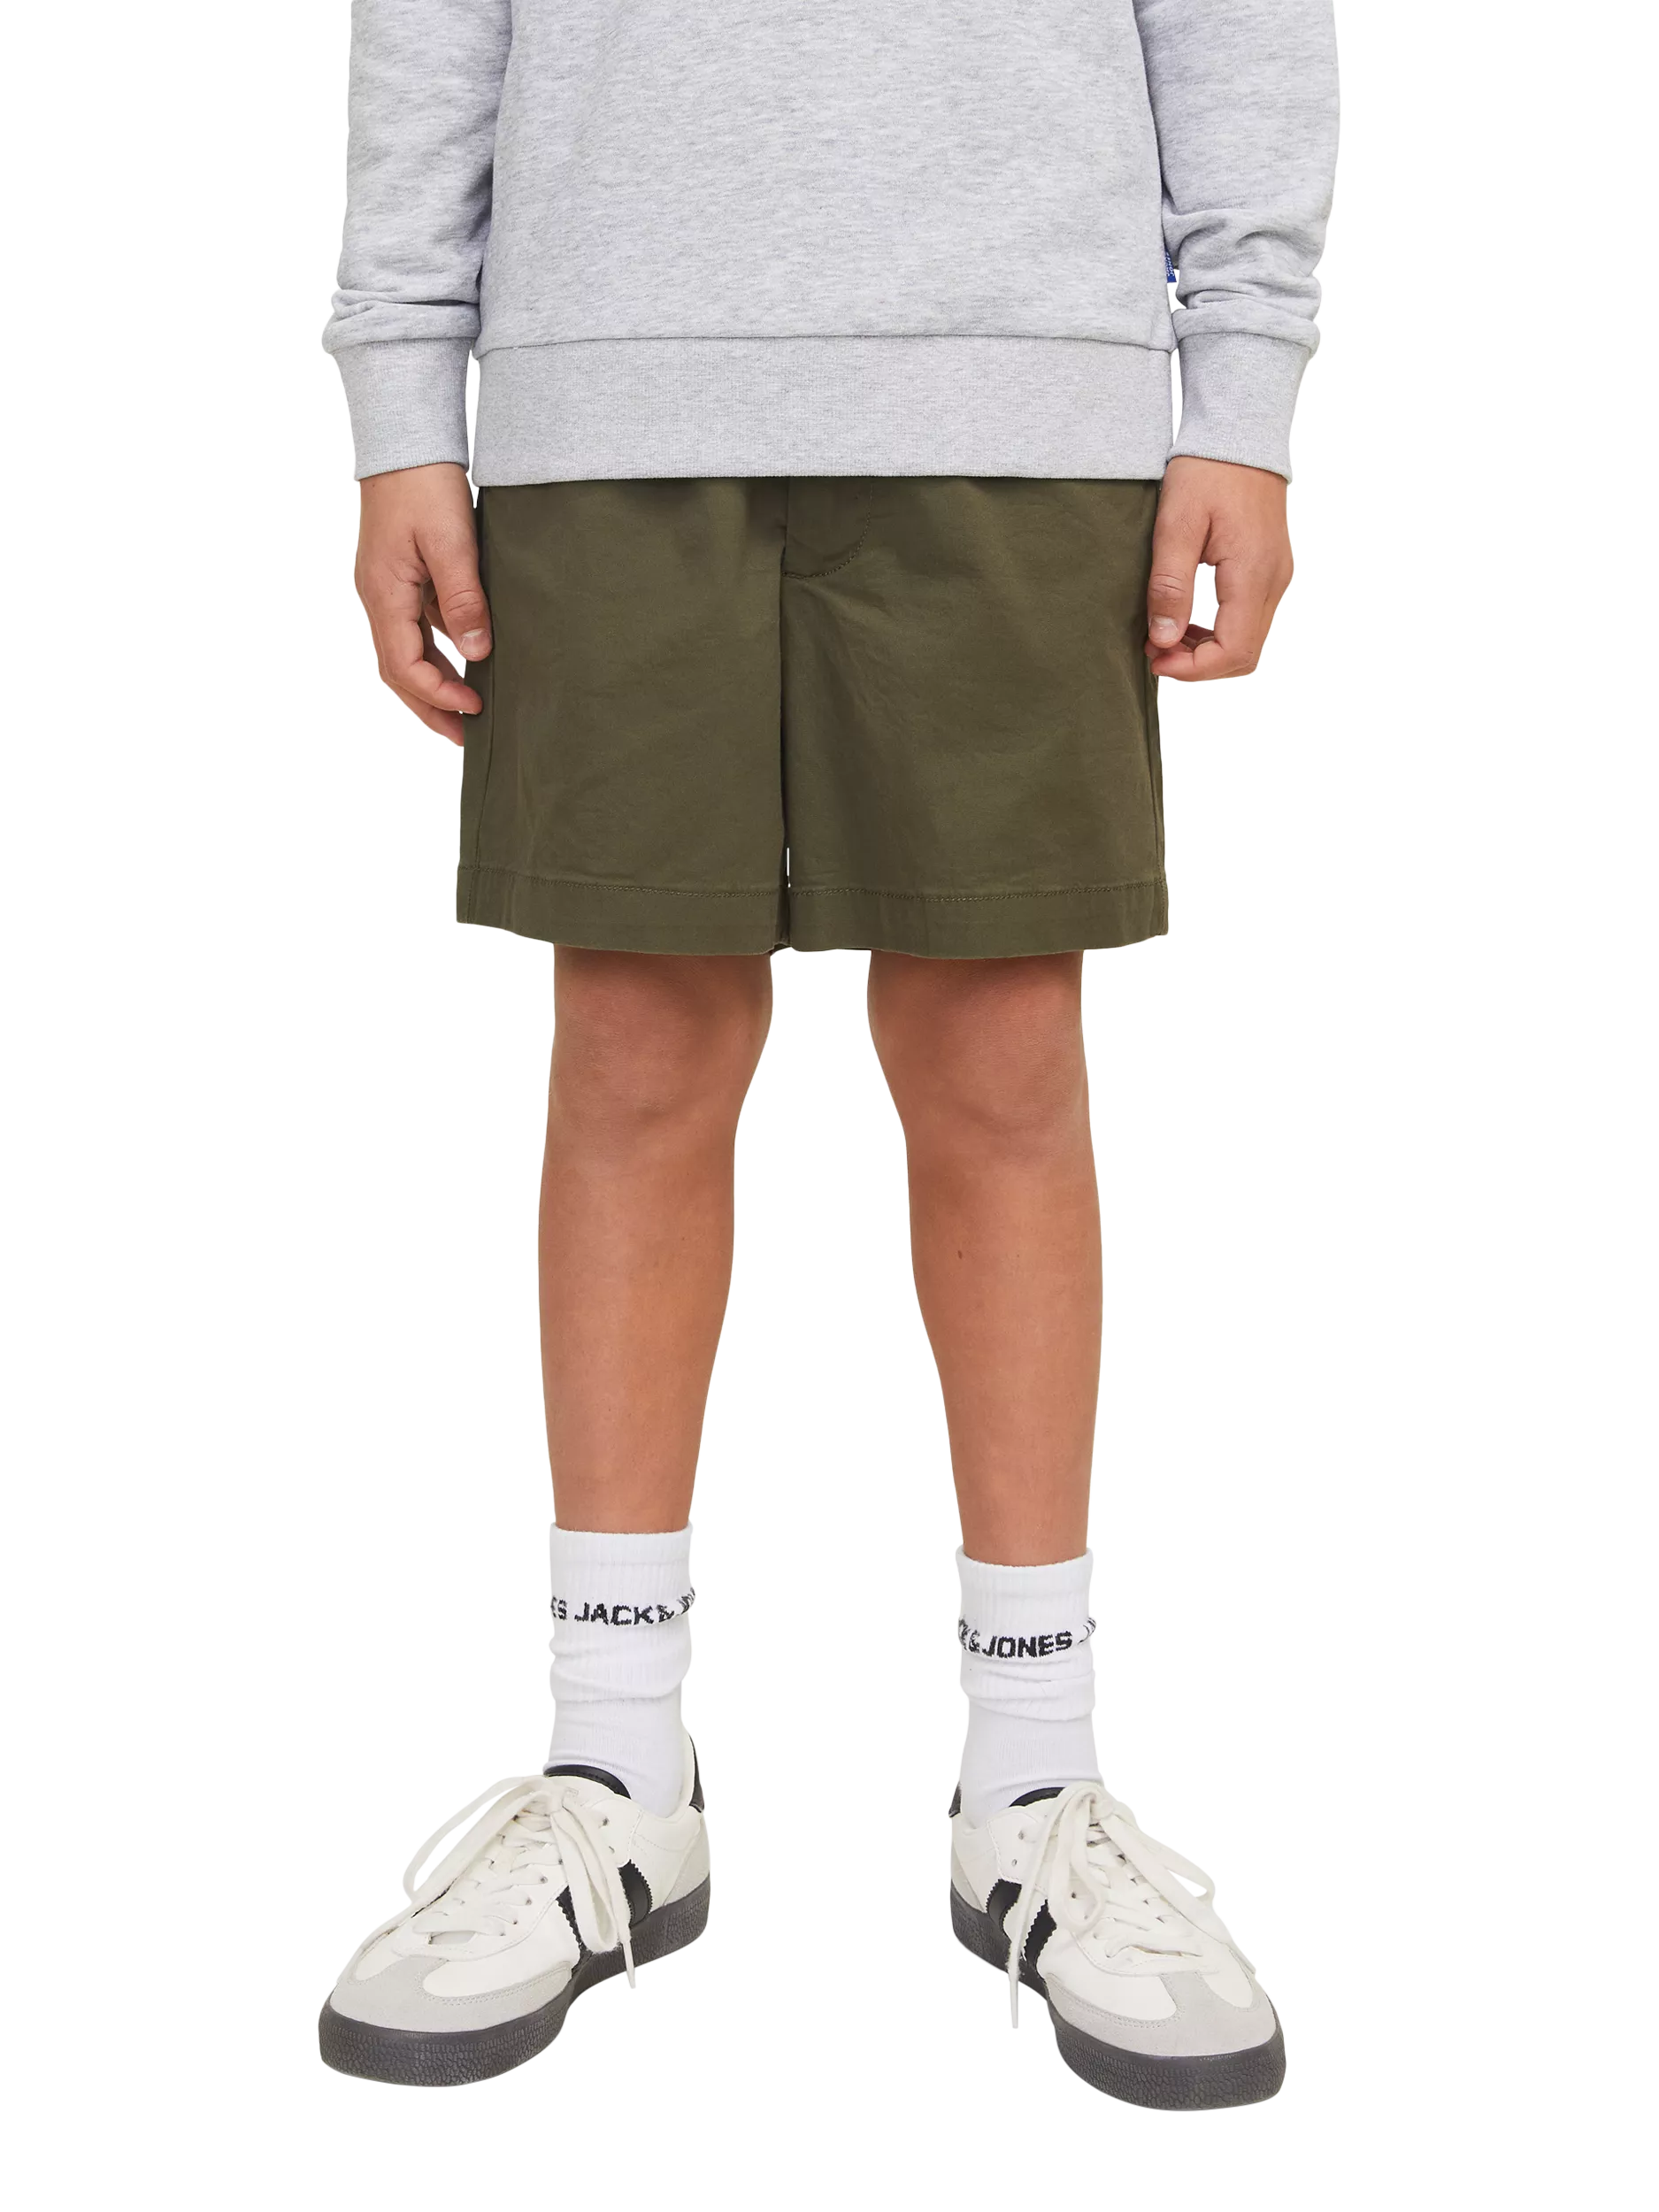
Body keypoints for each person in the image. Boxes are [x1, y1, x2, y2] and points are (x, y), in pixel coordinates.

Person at [315, 0, 1338, 2110]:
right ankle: (616, 1763)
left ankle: (1033, 1779)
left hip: (1020, 383)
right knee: (632, 1045)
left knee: (999, 1053)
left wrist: (1242, 395)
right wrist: (402, 395)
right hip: (608, 386)